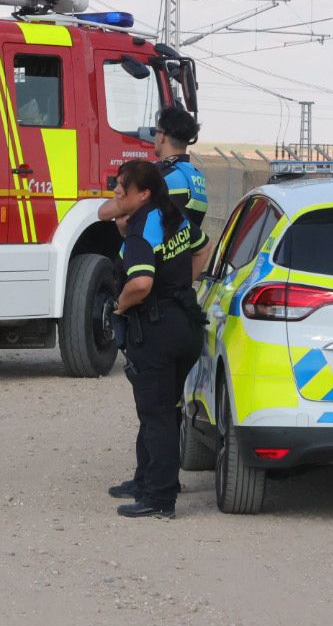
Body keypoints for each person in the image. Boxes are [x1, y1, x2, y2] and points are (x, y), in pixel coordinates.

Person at [104, 159, 203, 520]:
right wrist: (178, 285)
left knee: (156, 413)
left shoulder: (142, 227)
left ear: (143, 193)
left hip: (157, 330)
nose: (116, 193)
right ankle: (148, 479)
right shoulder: (170, 211)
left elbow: (141, 283)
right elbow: (202, 248)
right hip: (185, 324)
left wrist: (119, 307)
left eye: (122, 189)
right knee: (165, 410)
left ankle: (160, 498)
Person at [99, 103, 210, 279]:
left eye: (155, 132)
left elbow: (104, 212)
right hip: (178, 273)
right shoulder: (195, 177)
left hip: (146, 270)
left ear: (163, 136)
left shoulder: (160, 176)